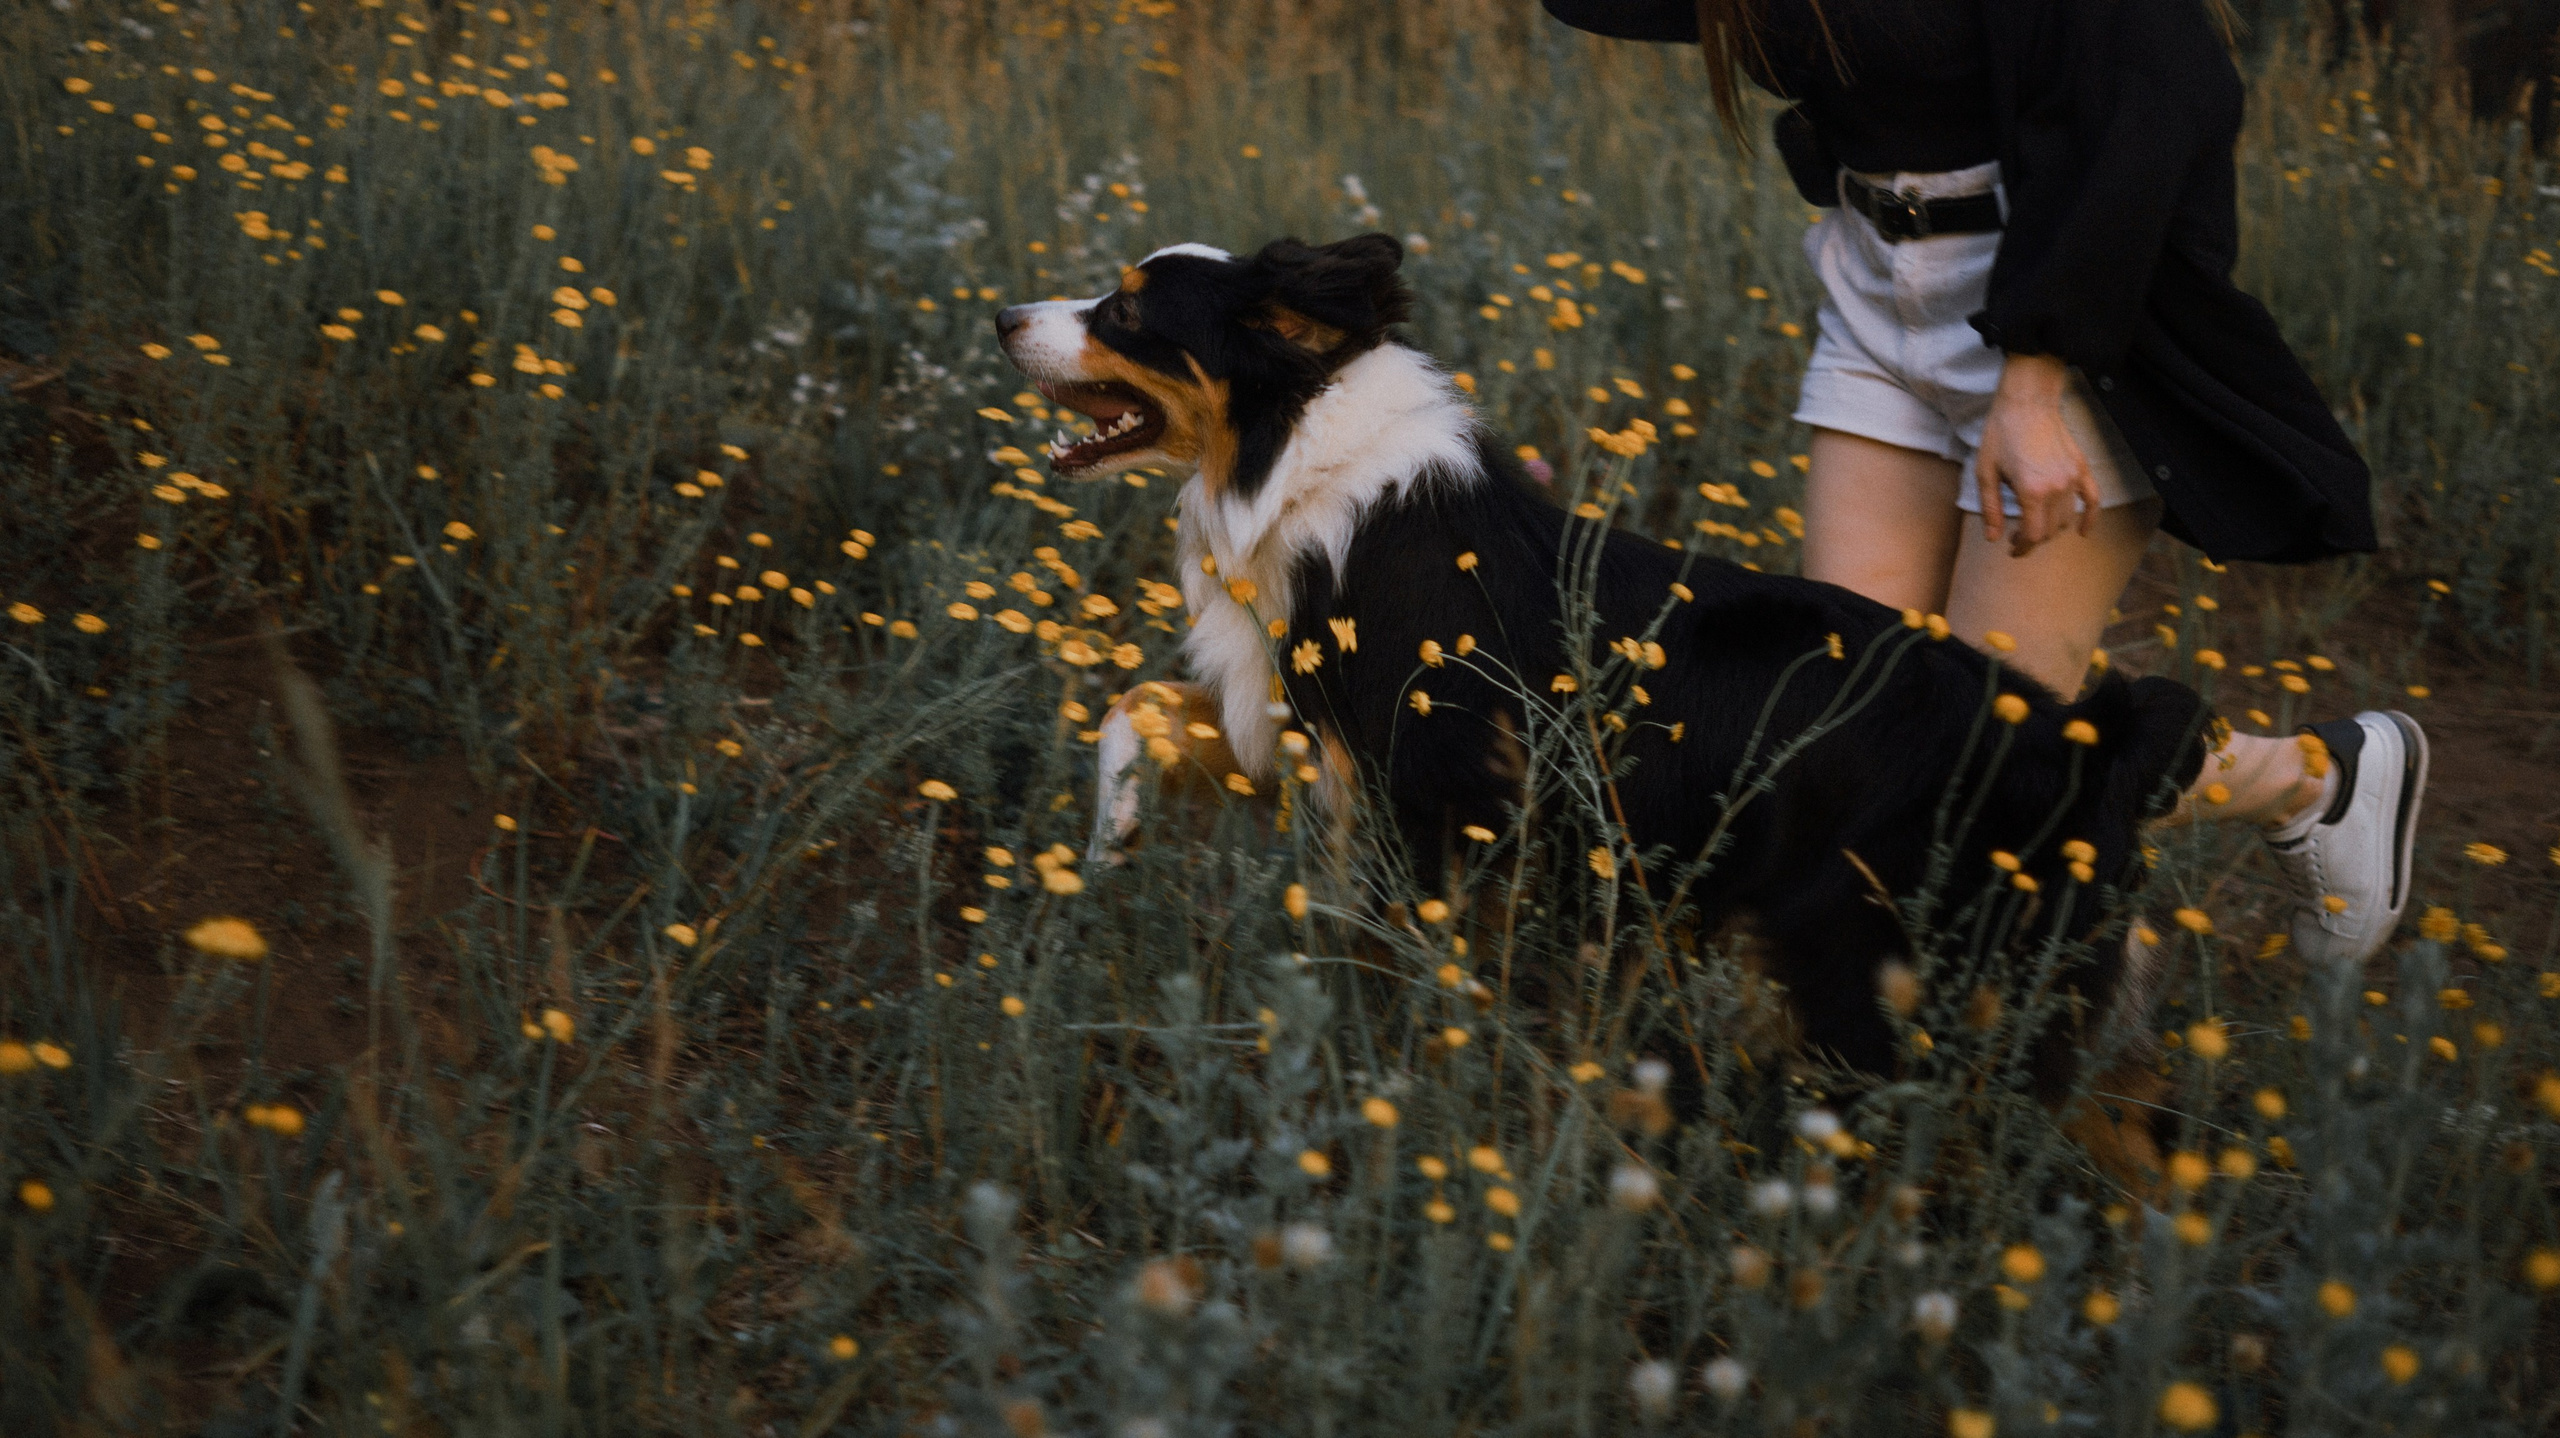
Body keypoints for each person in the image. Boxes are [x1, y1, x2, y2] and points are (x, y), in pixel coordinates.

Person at [1541, 0, 2427, 966]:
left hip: (2063, 311)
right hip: (1877, 295)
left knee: (1989, 760)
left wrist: (2036, 383)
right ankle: (2118, 930)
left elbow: (2157, 104)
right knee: (1843, 733)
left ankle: (2302, 790)